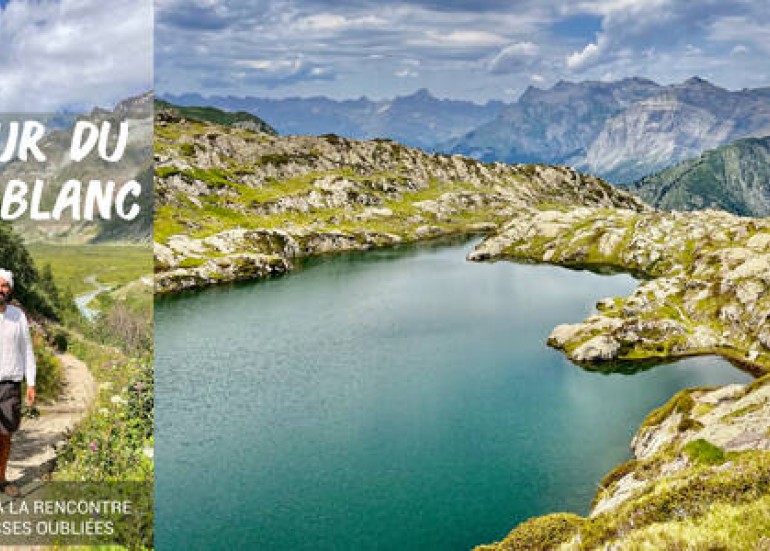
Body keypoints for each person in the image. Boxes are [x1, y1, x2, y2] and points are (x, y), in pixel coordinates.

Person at [0, 269, 36, 497]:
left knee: (4, 435)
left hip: (10, 385)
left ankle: (1, 479)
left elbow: (27, 350)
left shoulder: (18, 315)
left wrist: (31, 383)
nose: (0, 289)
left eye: (4, 286)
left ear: (10, 289)